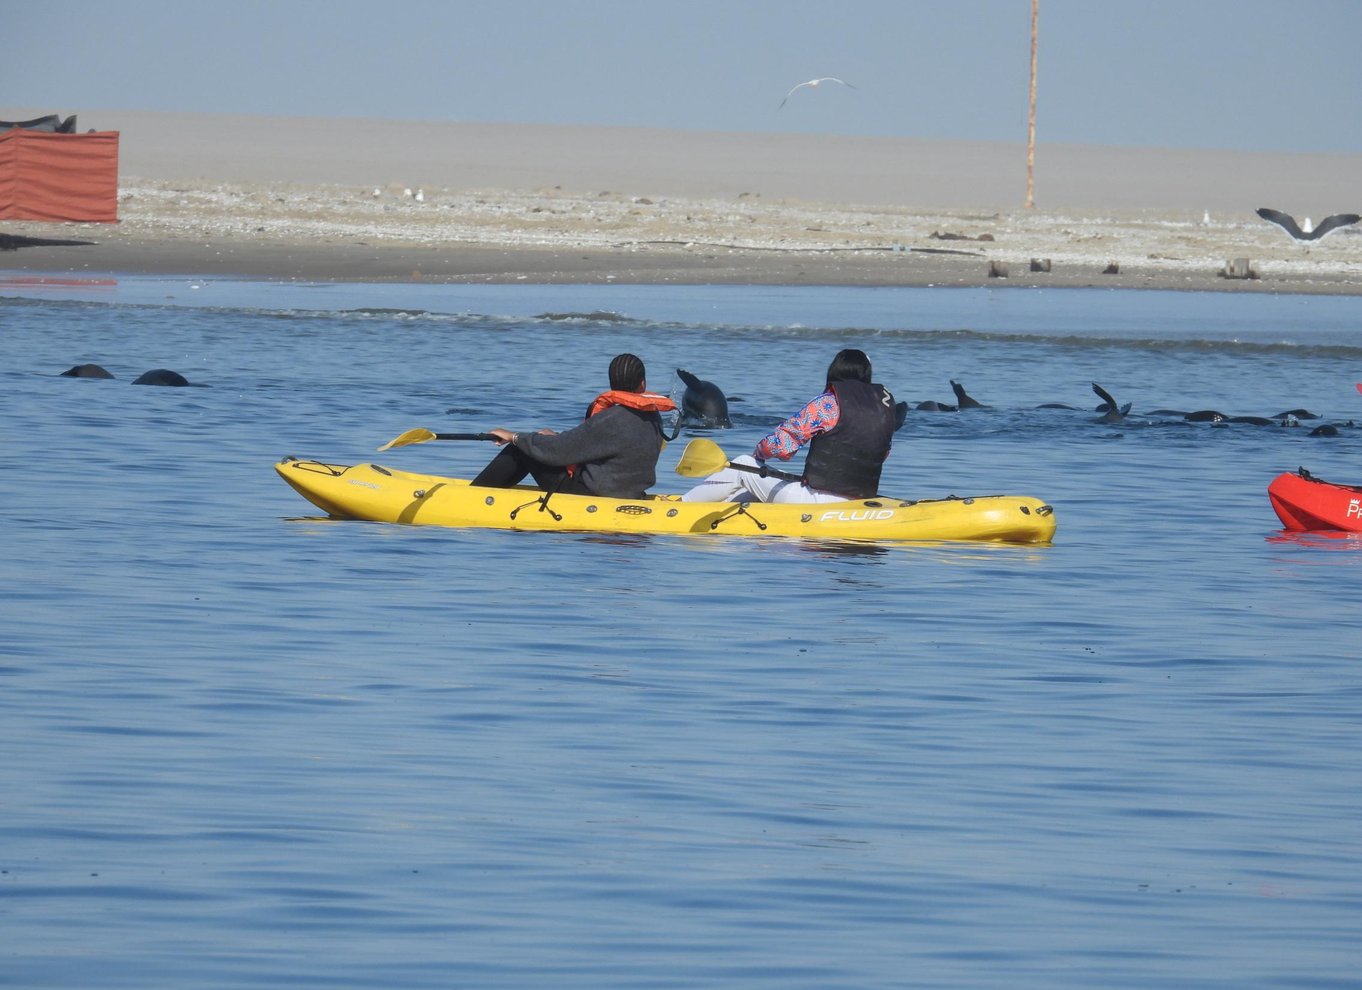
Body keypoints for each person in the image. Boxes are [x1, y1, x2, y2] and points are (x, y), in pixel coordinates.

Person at [681, 348, 895, 504]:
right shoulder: (884, 408)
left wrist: (760, 453)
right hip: (859, 500)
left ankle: (679, 507)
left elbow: (781, 447)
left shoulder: (828, 403)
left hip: (818, 501)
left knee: (743, 465)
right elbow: (882, 454)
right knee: (750, 493)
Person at [472, 353, 676, 499]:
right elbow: (594, 445)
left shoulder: (612, 418)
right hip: (630, 493)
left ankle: (475, 496)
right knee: (536, 442)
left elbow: (560, 453)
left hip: (590, 493)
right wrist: (555, 437)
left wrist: (513, 436)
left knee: (521, 450)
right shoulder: (653, 416)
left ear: (612, 384)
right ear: (643, 384)